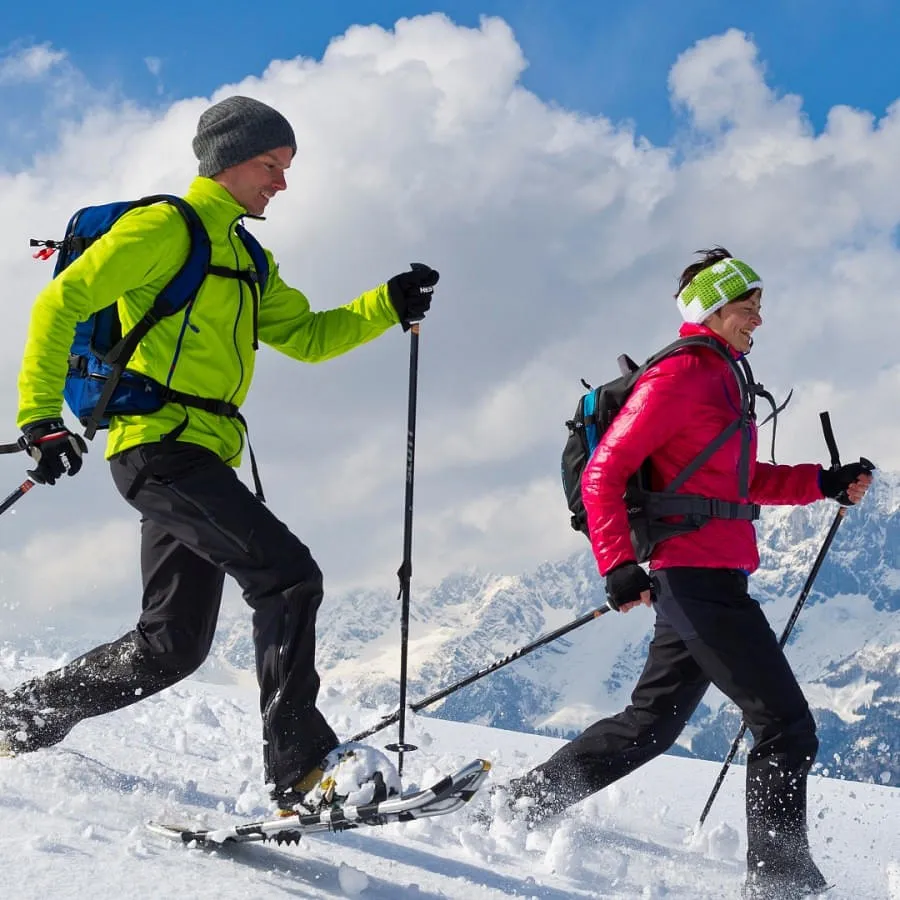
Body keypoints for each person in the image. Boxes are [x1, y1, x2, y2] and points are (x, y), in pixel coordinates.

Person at [0, 95, 439, 813]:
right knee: (289, 577)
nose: (282, 183)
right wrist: (39, 418)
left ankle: (16, 717)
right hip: (158, 449)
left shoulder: (246, 255)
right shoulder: (164, 229)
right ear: (228, 159)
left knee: (171, 645)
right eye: (272, 164)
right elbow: (60, 305)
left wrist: (387, 304)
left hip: (200, 456)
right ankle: (300, 770)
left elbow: (309, 336)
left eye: (287, 167)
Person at [501, 249, 873, 899]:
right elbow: (604, 473)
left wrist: (823, 482)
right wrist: (617, 563)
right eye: (746, 304)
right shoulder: (681, 377)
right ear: (712, 308)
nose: (759, 317)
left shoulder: (726, 379)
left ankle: (523, 800)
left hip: (716, 577)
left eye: (760, 304)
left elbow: (745, 483)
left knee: (650, 725)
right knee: (785, 726)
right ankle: (780, 882)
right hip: (693, 576)